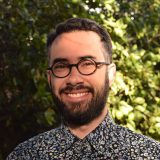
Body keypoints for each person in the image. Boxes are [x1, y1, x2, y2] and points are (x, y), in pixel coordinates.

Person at [7, 18, 160, 160]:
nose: (74, 79)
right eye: (61, 66)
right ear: (49, 78)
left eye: (87, 64)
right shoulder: (24, 155)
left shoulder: (149, 154)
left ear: (110, 74)